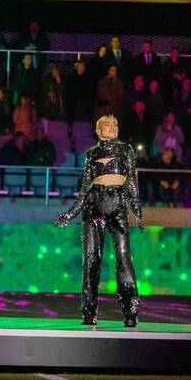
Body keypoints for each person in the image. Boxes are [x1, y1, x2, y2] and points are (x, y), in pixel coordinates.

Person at [54, 114, 143, 328]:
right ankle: (89, 311)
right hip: (94, 206)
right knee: (91, 260)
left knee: (124, 259)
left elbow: (131, 180)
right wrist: (70, 213)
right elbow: (85, 187)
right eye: (106, 124)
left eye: (114, 124)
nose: (111, 127)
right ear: (97, 129)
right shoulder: (91, 153)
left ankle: (131, 312)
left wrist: (137, 210)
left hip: (117, 204)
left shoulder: (125, 149)